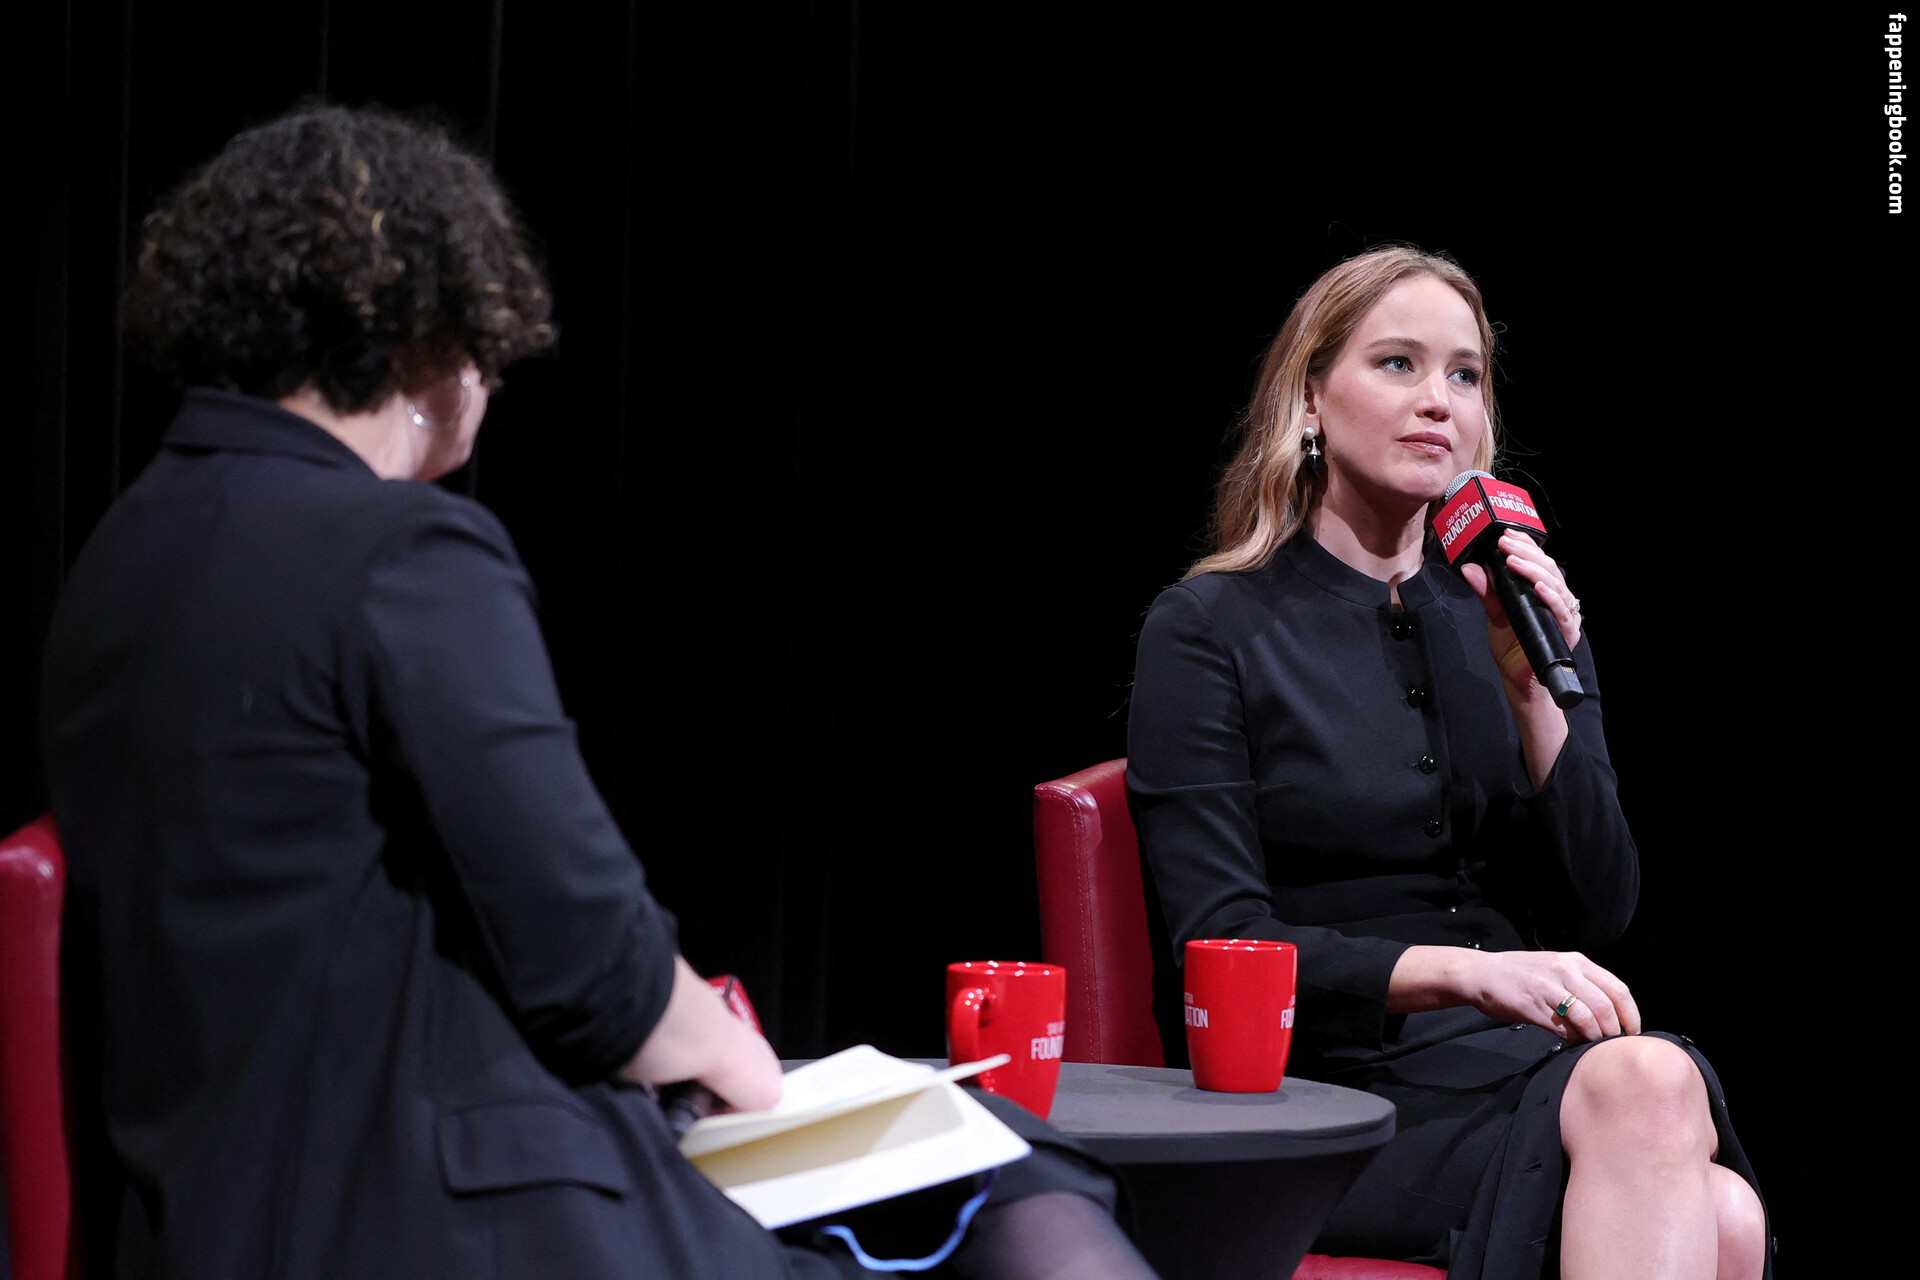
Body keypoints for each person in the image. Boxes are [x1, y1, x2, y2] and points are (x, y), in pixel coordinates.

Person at [42, 104, 1155, 1280]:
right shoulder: (401, 551)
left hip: (210, 1211)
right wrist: (746, 1071)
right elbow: (590, 962)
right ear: (434, 333)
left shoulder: (121, 560)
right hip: (437, 1211)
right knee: (1014, 1177)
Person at [1125, 246, 1770, 1280]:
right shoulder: (1209, 626)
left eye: (1464, 375)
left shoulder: (1511, 607)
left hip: (1512, 1071)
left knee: (1724, 1209)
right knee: (1671, 1125)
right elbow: (1222, 940)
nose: (1439, 400)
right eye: (1398, 364)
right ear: (1309, 399)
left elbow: (1601, 904)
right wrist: (1472, 973)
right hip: (1320, 1087)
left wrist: (1535, 693)